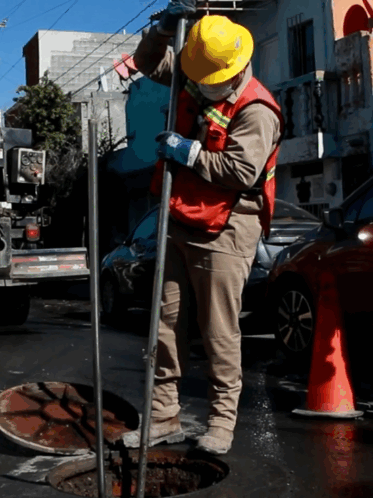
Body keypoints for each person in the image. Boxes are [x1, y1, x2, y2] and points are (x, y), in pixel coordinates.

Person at [121, 1, 283, 454]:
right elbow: (149, 62)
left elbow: (241, 171)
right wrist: (162, 29)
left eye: (206, 82)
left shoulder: (258, 110)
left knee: (218, 330)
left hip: (229, 225)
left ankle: (221, 422)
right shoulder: (196, 73)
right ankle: (162, 417)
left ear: (236, 71)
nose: (196, 87)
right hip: (180, 216)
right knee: (165, 323)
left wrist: (188, 152)